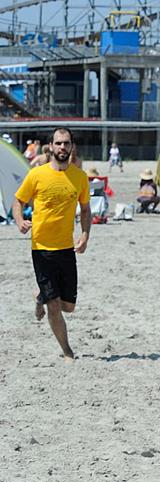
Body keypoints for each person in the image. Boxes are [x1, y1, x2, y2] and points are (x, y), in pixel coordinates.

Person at [11, 127, 91, 362]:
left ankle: (40, 296)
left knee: (68, 307)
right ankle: (67, 351)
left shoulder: (79, 177)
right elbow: (18, 201)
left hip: (66, 249)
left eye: (66, 143)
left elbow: (85, 209)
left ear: (72, 147)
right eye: (58, 143)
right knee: (54, 306)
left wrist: (85, 234)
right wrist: (19, 221)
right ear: (51, 147)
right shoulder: (37, 175)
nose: (62, 148)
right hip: (41, 249)